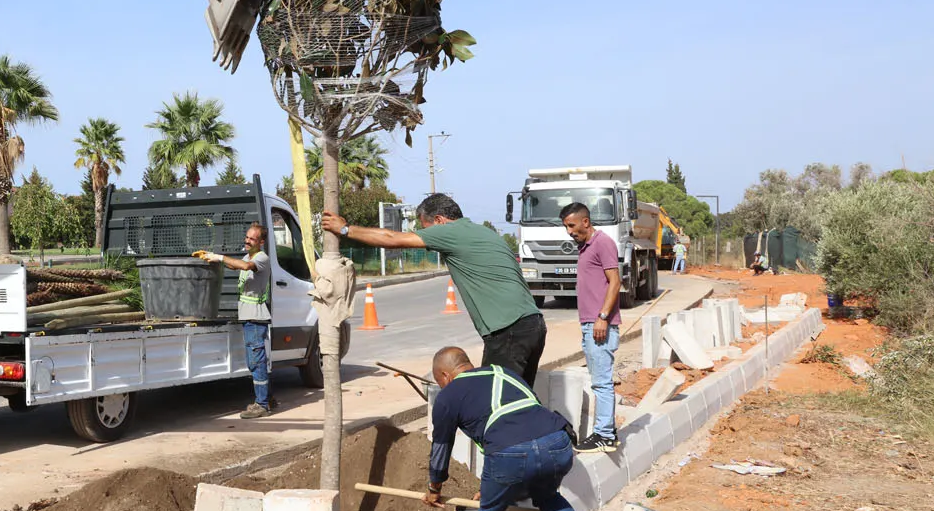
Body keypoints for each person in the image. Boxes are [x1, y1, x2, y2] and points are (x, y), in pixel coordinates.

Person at [422, 346, 609, 511]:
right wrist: (498, 486)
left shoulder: (448, 395)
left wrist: (433, 488)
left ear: (444, 375)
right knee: (548, 496)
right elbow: (526, 422)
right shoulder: (504, 373)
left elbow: (441, 446)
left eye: (439, 381)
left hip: (510, 455)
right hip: (557, 442)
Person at [322, 193, 548, 388]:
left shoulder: (450, 231)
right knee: (521, 400)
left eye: (425, 229)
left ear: (439, 220)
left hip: (508, 331)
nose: (425, 236)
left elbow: (392, 238)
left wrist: (345, 229)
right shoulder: (484, 232)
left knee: (496, 404)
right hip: (533, 324)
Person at [195, 223, 275, 419]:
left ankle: (262, 405)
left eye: (252, 239)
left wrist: (220, 257)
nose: (247, 241)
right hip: (249, 317)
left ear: (261, 242)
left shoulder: (261, 258)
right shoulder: (249, 256)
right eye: (246, 237)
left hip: (256, 318)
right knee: (254, 362)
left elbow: (246, 267)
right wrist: (213, 257)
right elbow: (236, 264)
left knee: (256, 362)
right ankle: (266, 398)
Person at [561, 203, 620, 452]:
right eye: (566, 227)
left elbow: (615, 282)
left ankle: (604, 435)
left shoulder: (602, 242)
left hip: (599, 324)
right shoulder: (586, 247)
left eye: (572, 226)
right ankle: (608, 431)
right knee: (599, 380)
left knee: (602, 383)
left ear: (585, 221)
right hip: (591, 324)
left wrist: (602, 317)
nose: (569, 232)